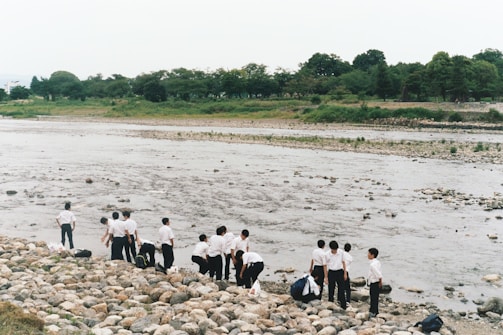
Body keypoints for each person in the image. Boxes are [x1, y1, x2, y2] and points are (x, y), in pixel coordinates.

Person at [326, 240, 347, 309]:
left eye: (336, 250)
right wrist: (325, 277)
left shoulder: (341, 252)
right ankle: (330, 302)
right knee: (331, 288)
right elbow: (325, 265)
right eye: (334, 250)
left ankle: (343, 303)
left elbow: (344, 262)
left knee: (341, 288)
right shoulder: (327, 254)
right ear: (331, 249)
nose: (335, 251)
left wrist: (345, 273)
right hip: (331, 272)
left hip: (340, 271)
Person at [368, 247, 382, 317]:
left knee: (373, 297)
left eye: (369, 254)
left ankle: (373, 311)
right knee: (375, 297)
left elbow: (378, 274)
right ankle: (375, 311)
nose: (368, 255)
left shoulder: (372, 265)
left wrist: (380, 281)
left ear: (372, 255)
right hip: (376, 282)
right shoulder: (377, 262)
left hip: (374, 282)